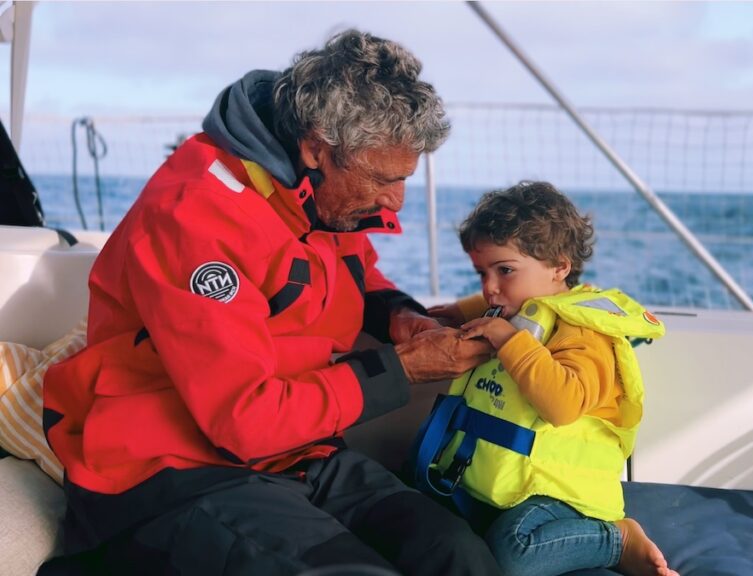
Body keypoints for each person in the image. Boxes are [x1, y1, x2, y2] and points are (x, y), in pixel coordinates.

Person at [42, 30, 502, 576]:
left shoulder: (321, 197)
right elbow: (245, 418)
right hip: (170, 470)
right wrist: (399, 371)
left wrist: (400, 316)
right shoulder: (197, 217)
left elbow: (358, 273)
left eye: (405, 178)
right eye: (384, 178)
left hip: (298, 454)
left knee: (460, 554)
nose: (395, 200)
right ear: (316, 148)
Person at [424, 181, 678, 576]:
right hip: (511, 482)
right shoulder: (516, 308)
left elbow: (563, 404)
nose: (490, 288)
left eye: (505, 270)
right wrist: (454, 314)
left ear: (560, 267)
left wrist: (511, 343)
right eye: (481, 273)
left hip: (562, 493)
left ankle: (616, 540)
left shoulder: (583, 333)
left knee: (512, 554)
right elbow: (497, 301)